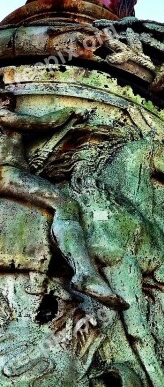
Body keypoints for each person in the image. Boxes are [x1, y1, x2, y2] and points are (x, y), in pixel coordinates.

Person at [0, 91, 128, 310]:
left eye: (9, 101)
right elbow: (42, 122)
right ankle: (85, 273)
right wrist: (69, 111)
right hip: (6, 173)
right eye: (4, 99)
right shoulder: (2, 115)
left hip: (12, 172)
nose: (8, 104)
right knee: (66, 204)